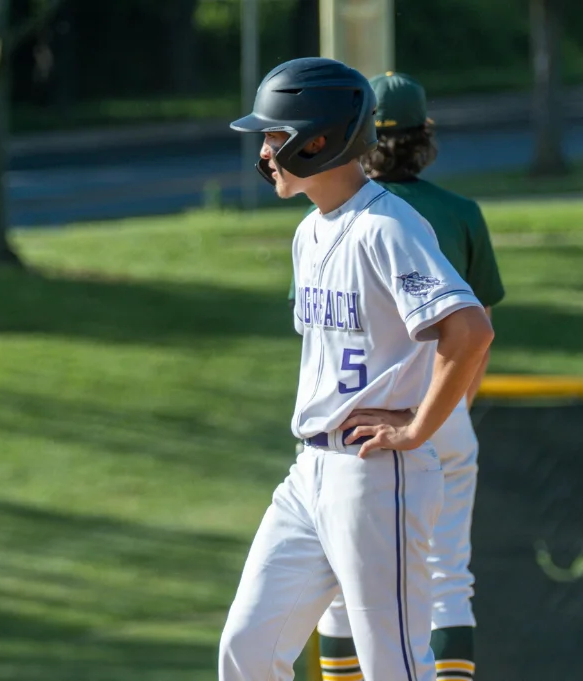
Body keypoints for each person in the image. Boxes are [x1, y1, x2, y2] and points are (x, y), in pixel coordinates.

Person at [219, 57, 495, 681]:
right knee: (247, 648)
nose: (264, 153)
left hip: (374, 475)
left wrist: (419, 429)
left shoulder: (386, 226)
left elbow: (471, 328)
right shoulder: (310, 232)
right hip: (309, 471)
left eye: (273, 135)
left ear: (319, 141)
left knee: (391, 667)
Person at [292, 70, 504, 681]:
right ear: (423, 136)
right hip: (445, 413)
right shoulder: (460, 212)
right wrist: (447, 412)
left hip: (362, 424)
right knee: (446, 578)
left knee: (339, 588)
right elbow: (478, 334)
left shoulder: (340, 215)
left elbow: (327, 337)